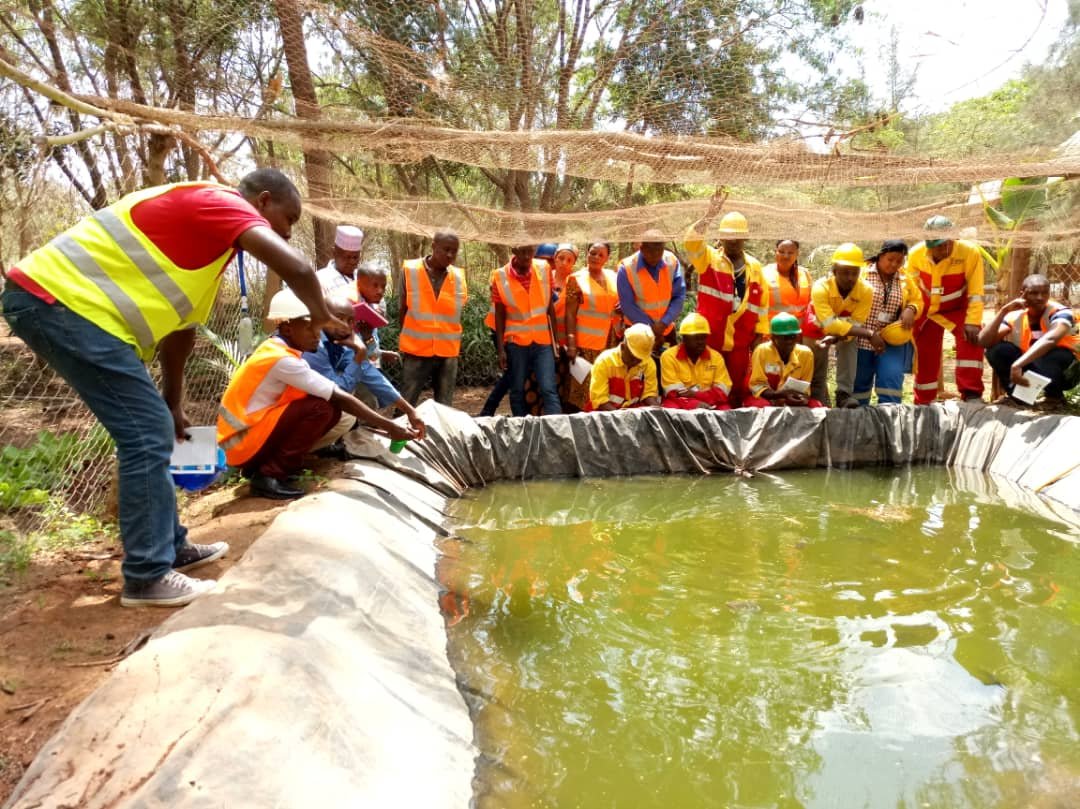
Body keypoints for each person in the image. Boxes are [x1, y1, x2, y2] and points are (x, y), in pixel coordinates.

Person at [2, 168, 346, 607]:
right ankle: (146, 576)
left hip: (80, 316)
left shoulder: (211, 252)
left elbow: (181, 329)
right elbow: (296, 267)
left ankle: (171, 549)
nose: (287, 229)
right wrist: (322, 314)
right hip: (56, 303)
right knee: (144, 435)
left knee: (156, 426)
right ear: (262, 201)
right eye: (289, 218)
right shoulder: (217, 202)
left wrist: (174, 401)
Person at [218, 289, 420, 501]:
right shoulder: (283, 360)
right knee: (323, 407)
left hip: (247, 436)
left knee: (329, 407)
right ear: (287, 328)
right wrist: (391, 427)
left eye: (318, 328)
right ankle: (269, 475)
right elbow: (339, 395)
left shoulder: (286, 350)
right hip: (238, 445)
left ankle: (273, 464)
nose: (317, 334)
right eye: (310, 329)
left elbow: (367, 376)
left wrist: (408, 410)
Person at [304, 297, 426, 453]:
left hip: (308, 403)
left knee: (346, 416)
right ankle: (292, 457)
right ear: (322, 316)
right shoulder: (314, 345)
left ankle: (317, 447)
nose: (345, 326)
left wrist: (410, 411)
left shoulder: (340, 341)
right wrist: (360, 353)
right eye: (339, 318)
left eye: (350, 321)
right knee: (339, 412)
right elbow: (338, 391)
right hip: (284, 410)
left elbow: (371, 375)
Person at [684, 209, 769, 407]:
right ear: (720, 237)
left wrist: (760, 334)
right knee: (712, 387)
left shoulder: (755, 267)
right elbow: (691, 243)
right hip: (710, 339)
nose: (732, 241)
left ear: (745, 238)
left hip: (741, 341)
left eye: (737, 237)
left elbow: (762, 303)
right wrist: (708, 216)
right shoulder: (708, 259)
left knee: (738, 388)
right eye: (728, 236)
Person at [908, 215, 986, 404]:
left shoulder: (969, 253)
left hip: (957, 308)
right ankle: (924, 400)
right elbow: (909, 288)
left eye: (944, 244)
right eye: (936, 246)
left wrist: (973, 321)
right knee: (925, 352)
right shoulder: (916, 254)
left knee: (972, 339)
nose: (941, 249)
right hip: (926, 311)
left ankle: (971, 393)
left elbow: (976, 292)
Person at [479, 243, 557, 416]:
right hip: (515, 341)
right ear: (513, 250)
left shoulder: (544, 269)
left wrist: (556, 342)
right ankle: (521, 430)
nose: (527, 256)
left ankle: (557, 431)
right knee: (516, 389)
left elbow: (550, 307)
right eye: (523, 252)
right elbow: (499, 316)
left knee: (548, 389)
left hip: (542, 340)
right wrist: (501, 349)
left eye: (531, 251)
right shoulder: (500, 276)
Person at [979, 274, 1080, 407]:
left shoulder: (1061, 312)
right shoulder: (1015, 316)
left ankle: (1054, 397)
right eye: (1034, 293)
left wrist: (1018, 364)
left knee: (1053, 353)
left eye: (1045, 293)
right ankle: (1019, 397)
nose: (1040, 297)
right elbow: (984, 342)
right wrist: (1003, 311)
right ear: (1022, 294)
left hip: (1069, 371)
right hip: (1034, 367)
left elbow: (1051, 339)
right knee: (997, 350)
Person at [397, 232, 467, 407]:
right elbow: (402, 310)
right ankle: (401, 436)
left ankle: (439, 435)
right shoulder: (410, 270)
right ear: (434, 246)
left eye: (454, 251)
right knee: (407, 403)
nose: (450, 255)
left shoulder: (458, 277)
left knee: (445, 408)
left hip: (448, 353)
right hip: (416, 351)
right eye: (446, 249)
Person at [804, 243, 875, 407]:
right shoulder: (820, 287)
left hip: (844, 328)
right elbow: (828, 323)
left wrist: (837, 336)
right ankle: (817, 398)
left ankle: (844, 394)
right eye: (844, 272)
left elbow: (857, 322)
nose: (850, 277)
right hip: (816, 325)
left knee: (850, 345)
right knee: (816, 362)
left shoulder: (866, 290)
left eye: (854, 272)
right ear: (834, 271)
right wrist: (870, 334)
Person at [852, 240, 922, 405]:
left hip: (892, 341)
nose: (894, 264)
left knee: (891, 380)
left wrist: (911, 308)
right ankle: (858, 422)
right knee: (859, 383)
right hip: (862, 338)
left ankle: (890, 420)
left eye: (899, 261)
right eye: (890, 259)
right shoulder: (863, 273)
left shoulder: (904, 278)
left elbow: (917, 299)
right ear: (881, 256)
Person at [562, 241, 621, 411]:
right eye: (592, 253)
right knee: (581, 386)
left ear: (607, 258)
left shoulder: (613, 277)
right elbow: (570, 314)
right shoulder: (576, 279)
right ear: (587, 254)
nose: (595, 257)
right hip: (584, 343)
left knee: (604, 384)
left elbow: (619, 301)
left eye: (600, 255)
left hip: (610, 341)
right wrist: (571, 344)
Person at [616, 231, 686, 354]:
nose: (655, 256)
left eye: (659, 251)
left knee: (667, 369)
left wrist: (663, 324)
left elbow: (679, 296)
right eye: (650, 251)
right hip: (637, 333)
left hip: (666, 330)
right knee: (638, 371)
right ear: (642, 248)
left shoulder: (672, 261)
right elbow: (627, 305)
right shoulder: (626, 268)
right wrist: (652, 329)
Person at [744, 314, 824, 408]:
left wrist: (802, 398)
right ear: (773, 338)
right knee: (762, 407)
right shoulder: (761, 351)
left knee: (816, 406)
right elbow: (756, 386)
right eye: (785, 337)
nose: (790, 341)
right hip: (764, 398)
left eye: (793, 336)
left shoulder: (806, 354)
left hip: (790, 399)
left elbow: (805, 388)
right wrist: (781, 395)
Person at [659, 313, 732, 410]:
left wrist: (696, 395)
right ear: (684, 338)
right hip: (681, 403)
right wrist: (694, 404)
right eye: (696, 337)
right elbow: (673, 393)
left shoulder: (716, 357)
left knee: (726, 411)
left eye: (703, 337)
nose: (700, 341)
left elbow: (723, 391)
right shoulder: (669, 357)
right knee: (670, 409)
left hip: (711, 402)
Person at [352, 262, 399, 408]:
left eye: (383, 286)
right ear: (360, 284)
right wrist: (368, 338)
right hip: (358, 370)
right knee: (368, 406)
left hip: (369, 364)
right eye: (375, 285)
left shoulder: (374, 306)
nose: (380, 291)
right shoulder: (353, 311)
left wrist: (381, 353)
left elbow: (371, 352)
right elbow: (362, 350)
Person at [587, 323, 661, 411]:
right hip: (604, 414)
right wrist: (622, 419)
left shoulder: (648, 363)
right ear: (622, 347)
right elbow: (600, 401)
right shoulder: (604, 362)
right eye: (633, 358)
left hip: (632, 413)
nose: (636, 362)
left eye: (640, 359)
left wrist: (659, 411)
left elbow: (649, 395)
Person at [763, 240, 811, 324]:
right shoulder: (764, 273)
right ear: (775, 252)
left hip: (799, 331)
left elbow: (811, 304)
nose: (785, 256)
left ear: (797, 254)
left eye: (790, 253)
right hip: (772, 331)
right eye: (781, 252)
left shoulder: (804, 274)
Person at [315, 224, 364, 295]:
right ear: (334, 253)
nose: (352, 261)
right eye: (347, 257)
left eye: (355, 257)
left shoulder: (363, 278)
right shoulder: (320, 279)